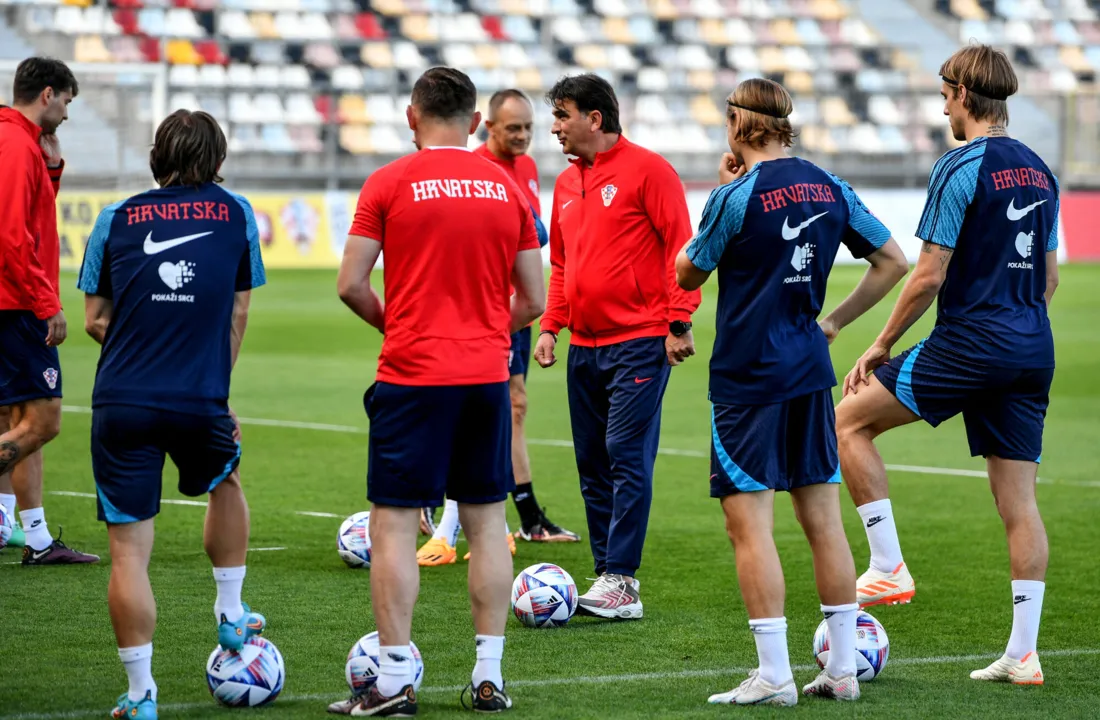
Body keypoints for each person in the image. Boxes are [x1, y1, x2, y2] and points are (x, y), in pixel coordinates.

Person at [676, 78, 908, 705]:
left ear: (736, 123)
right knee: (824, 525)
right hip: (809, 369)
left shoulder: (735, 195)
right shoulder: (829, 186)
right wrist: (832, 323)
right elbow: (893, 260)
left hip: (749, 377)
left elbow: (688, 270)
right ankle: (841, 671)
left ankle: (775, 674)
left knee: (749, 526)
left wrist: (721, 188)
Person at [836, 44, 1059, 686]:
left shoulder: (960, 164)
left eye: (943, 91)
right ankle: (1023, 654)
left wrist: (880, 342)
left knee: (846, 422)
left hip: (973, 342)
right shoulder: (1040, 171)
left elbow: (927, 274)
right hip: (1030, 345)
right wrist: (1017, 325)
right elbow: (1046, 279)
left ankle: (886, 567)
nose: (941, 104)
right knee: (1019, 504)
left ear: (964, 92)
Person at [330, 67, 545, 716]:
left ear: (410, 116)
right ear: (476, 123)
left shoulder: (388, 183)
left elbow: (351, 284)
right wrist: (482, 331)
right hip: (483, 377)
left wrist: (401, 326)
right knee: (486, 522)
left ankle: (393, 680)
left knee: (394, 523)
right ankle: (488, 677)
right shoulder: (508, 190)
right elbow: (534, 298)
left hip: (413, 374)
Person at [77, 109, 268, 720]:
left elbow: (93, 319)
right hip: (199, 398)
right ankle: (232, 616)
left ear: (156, 156)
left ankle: (140, 697)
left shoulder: (114, 217)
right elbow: (237, 313)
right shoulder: (237, 214)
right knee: (226, 482)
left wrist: (145, 343)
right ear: (218, 157)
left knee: (130, 555)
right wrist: (215, 383)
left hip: (122, 400)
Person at [533, 73, 700, 620]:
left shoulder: (649, 171)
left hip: (638, 342)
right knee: (591, 462)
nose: (554, 127)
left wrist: (678, 322)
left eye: (562, 116)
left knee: (626, 455)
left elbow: (683, 249)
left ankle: (622, 579)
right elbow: (561, 265)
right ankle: (608, 575)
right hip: (583, 345)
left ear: (594, 118)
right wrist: (552, 326)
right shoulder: (564, 184)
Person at [417, 89, 579, 568]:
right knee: (477, 410)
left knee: (515, 407)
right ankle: (449, 512)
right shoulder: (479, 171)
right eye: (514, 128)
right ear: (487, 126)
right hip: (482, 309)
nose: (524, 136)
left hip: (514, 310)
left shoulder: (525, 169)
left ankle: (521, 516)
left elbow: (535, 236)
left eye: (528, 127)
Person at [0, 59, 98, 565]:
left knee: (11, 417)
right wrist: (46, 303)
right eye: (67, 102)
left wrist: (53, 170)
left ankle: (32, 538)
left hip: (9, 298)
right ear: (47, 94)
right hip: (15, 302)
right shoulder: (15, 145)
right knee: (43, 420)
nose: (66, 113)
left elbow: (29, 212)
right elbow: (12, 236)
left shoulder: (16, 141)